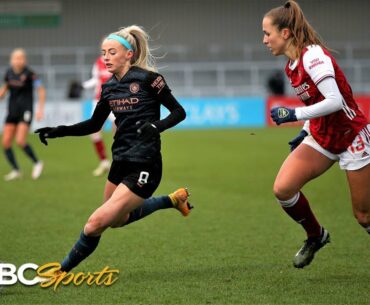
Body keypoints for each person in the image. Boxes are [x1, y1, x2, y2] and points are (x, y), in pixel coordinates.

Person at [35, 25, 191, 273]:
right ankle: (171, 200)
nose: (105, 57)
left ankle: (58, 272)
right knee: (118, 220)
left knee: (95, 223)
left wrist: (156, 126)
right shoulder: (108, 87)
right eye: (103, 52)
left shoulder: (150, 80)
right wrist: (59, 130)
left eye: (111, 52)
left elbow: (179, 112)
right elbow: (94, 124)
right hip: (120, 161)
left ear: (128, 54)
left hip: (145, 165)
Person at [262, 0, 370, 268]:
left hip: (350, 136)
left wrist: (294, 115)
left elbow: (334, 101)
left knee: (364, 216)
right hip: (322, 136)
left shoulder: (313, 57)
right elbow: (315, 103)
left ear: (285, 33)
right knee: (283, 189)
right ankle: (316, 236)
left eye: (267, 33)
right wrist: (305, 129)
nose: (264, 40)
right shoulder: (291, 65)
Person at [0, 48, 45, 181]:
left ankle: (37, 163)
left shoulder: (31, 74)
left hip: (26, 110)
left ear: (24, 60)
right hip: (12, 110)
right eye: (15, 58)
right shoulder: (8, 73)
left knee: (20, 141)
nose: (18, 61)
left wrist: (40, 109)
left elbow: (41, 90)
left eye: (20, 58)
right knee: (6, 142)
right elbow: (6, 88)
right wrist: (2, 94)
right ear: (11, 60)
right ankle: (16, 170)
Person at [81, 56, 115, 177]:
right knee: (94, 131)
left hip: (116, 101)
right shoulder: (99, 62)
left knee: (119, 130)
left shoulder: (119, 60)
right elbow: (96, 79)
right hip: (99, 101)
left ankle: (119, 161)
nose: (106, 52)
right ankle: (104, 162)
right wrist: (82, 86)